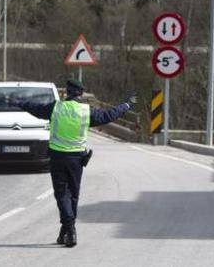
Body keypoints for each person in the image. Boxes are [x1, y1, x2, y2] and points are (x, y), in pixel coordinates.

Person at [12, 79, 136, 248]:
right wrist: (126, 105)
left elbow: (34, 108)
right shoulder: (86, 111)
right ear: (81, 94)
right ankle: (67, 230)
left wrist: (18, 102)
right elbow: (109, 115)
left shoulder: (55, 107)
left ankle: (69, 229)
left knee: (62, 194)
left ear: (67, 93)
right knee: (73, 195)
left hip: (57, 157)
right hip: (76, 159)